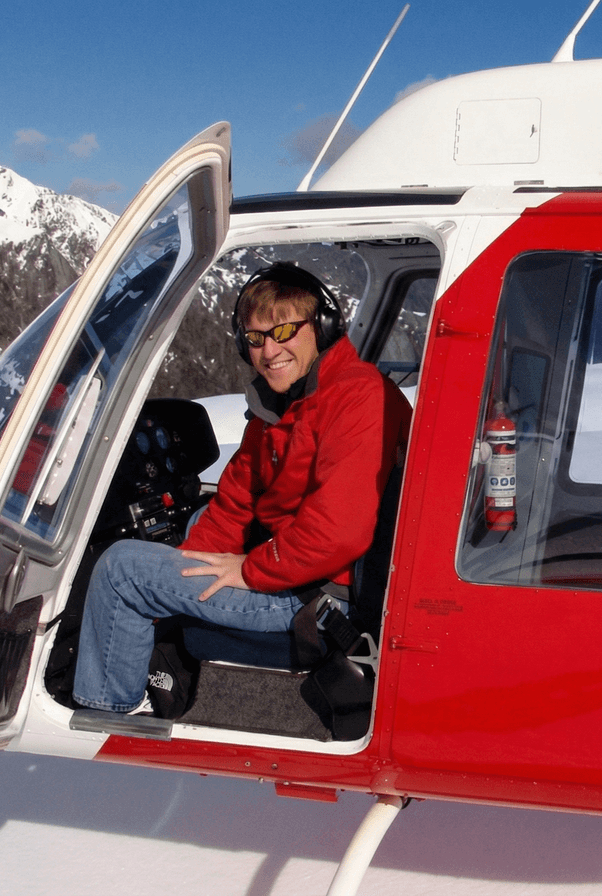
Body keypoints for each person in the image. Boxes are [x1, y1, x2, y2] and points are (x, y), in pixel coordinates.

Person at [72, 263, 412, 714]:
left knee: (121, 571)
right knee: (193, 522)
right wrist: (180, 575)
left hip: (322, 596)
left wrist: (249, 569)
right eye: (255, 338)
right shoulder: (283, 405)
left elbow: (338, 532)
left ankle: (105, 713)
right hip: (298, 567)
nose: (270, 350)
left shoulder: (356, 397)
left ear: (323, 327)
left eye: (285, 330)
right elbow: (235, 501)